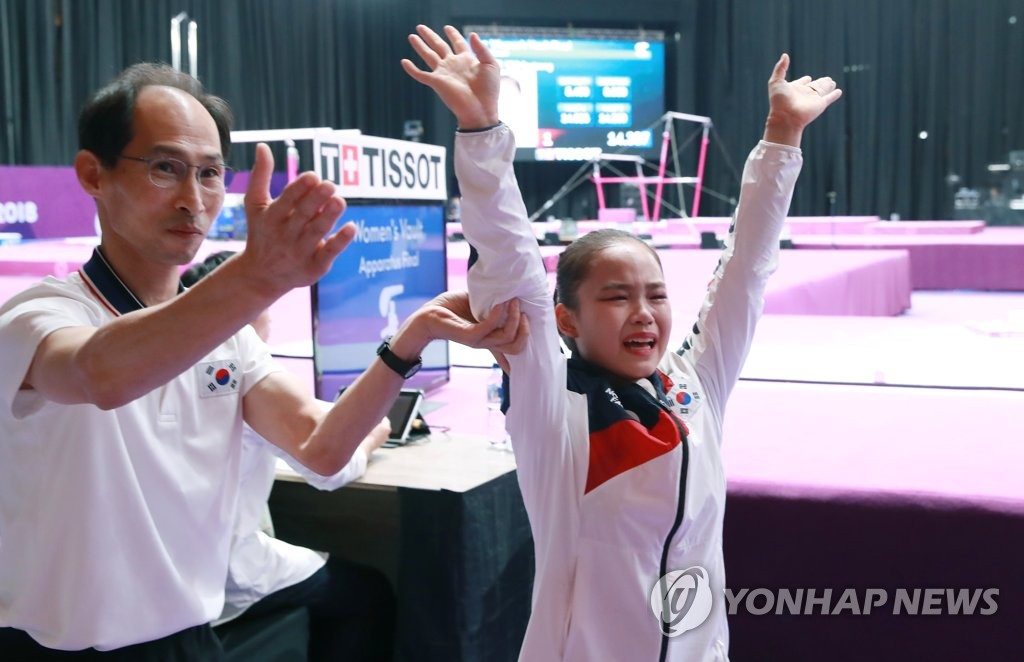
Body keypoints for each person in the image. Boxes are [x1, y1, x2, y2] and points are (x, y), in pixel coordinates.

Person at [0, 62, 526, 657]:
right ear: (94, 174)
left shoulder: (229, 339)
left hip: (186, 641)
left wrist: (409, 341)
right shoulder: (38, 316)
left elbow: (324, 449)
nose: (192, 199)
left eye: (209, 173)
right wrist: (255, 280)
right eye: (165, 168)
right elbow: (98, 373)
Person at [402, 24, 841, 661]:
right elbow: (513, 263)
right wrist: (481, 130)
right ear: (567, 320)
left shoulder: (695, 386)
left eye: (655, 295)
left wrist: (782, 137)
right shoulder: (552, 404)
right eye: (615, 297)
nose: (643, 314)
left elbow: (746, 269)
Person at [180, 252, 395, 661]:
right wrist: (372, 436)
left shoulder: (157, 361)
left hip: (167, 575)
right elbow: (328, 466)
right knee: (368, 594)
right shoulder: (239, 368)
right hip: (225, 574)